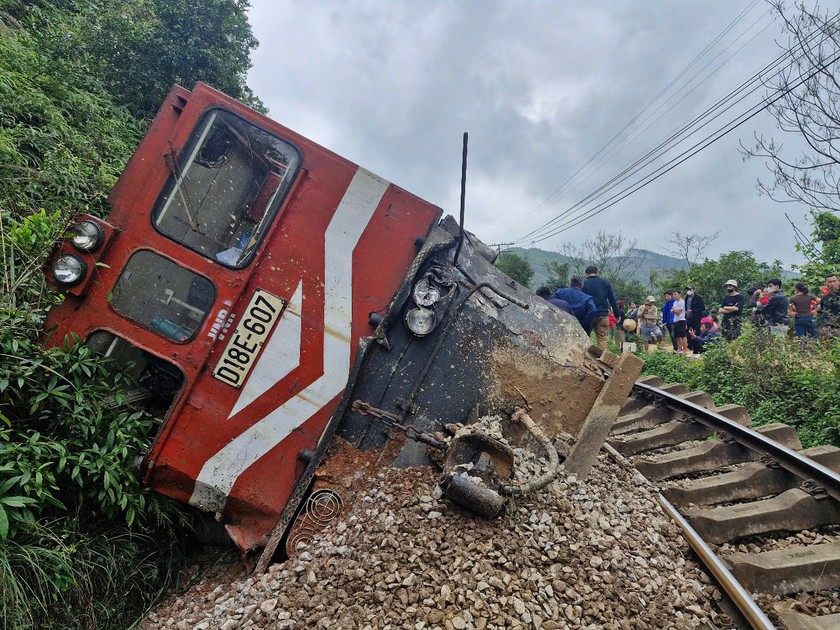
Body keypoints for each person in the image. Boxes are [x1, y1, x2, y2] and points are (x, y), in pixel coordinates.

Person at [582, 266, 619, 350]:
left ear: (586, 274)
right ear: (597, 273)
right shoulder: (605, 282)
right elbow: (612, 299)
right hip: (603, 315)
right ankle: (601, 360)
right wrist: (617, 314)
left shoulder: (584, 283)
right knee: (602, 338)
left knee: (585, 336)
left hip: (588, 315)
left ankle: (585, 359)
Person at [816, 272, 840, 340]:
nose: (832, 284)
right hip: (829, 330)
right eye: (829, 282)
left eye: (834, 281)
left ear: (838, 282)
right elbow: (823, 313)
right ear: (826, 284)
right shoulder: (824, 298)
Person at [670, 288, 688, 354]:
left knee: (683, 336)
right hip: (676, 320)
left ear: (679, 294)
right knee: (677, 336)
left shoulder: (682, 302)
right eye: (673, 295)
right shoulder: (675, 302)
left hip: (681, 320)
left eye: (675, 294)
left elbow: (678, 312)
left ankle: (685, 350)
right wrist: (674, 310)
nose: (674, 296)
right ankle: (679, 349)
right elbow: (672, 310)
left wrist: (674, 310)